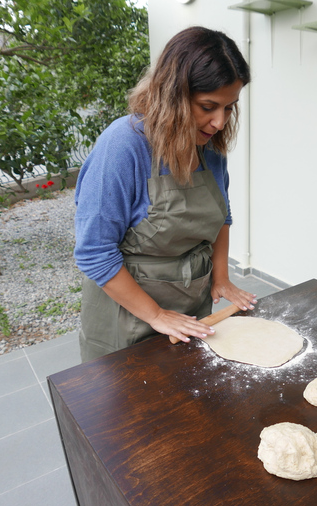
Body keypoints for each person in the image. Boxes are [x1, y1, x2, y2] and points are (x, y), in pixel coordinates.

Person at [73, 26, 257, 362]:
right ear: (171, 94)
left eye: (230, 107)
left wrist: (221, 278)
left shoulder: (209, 148)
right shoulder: (123, 146)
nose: (219, 122)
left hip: (190, 310)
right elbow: (94, 252)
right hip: (128, 315)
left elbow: (222, 217)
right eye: (208, 106)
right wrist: (156, 315)